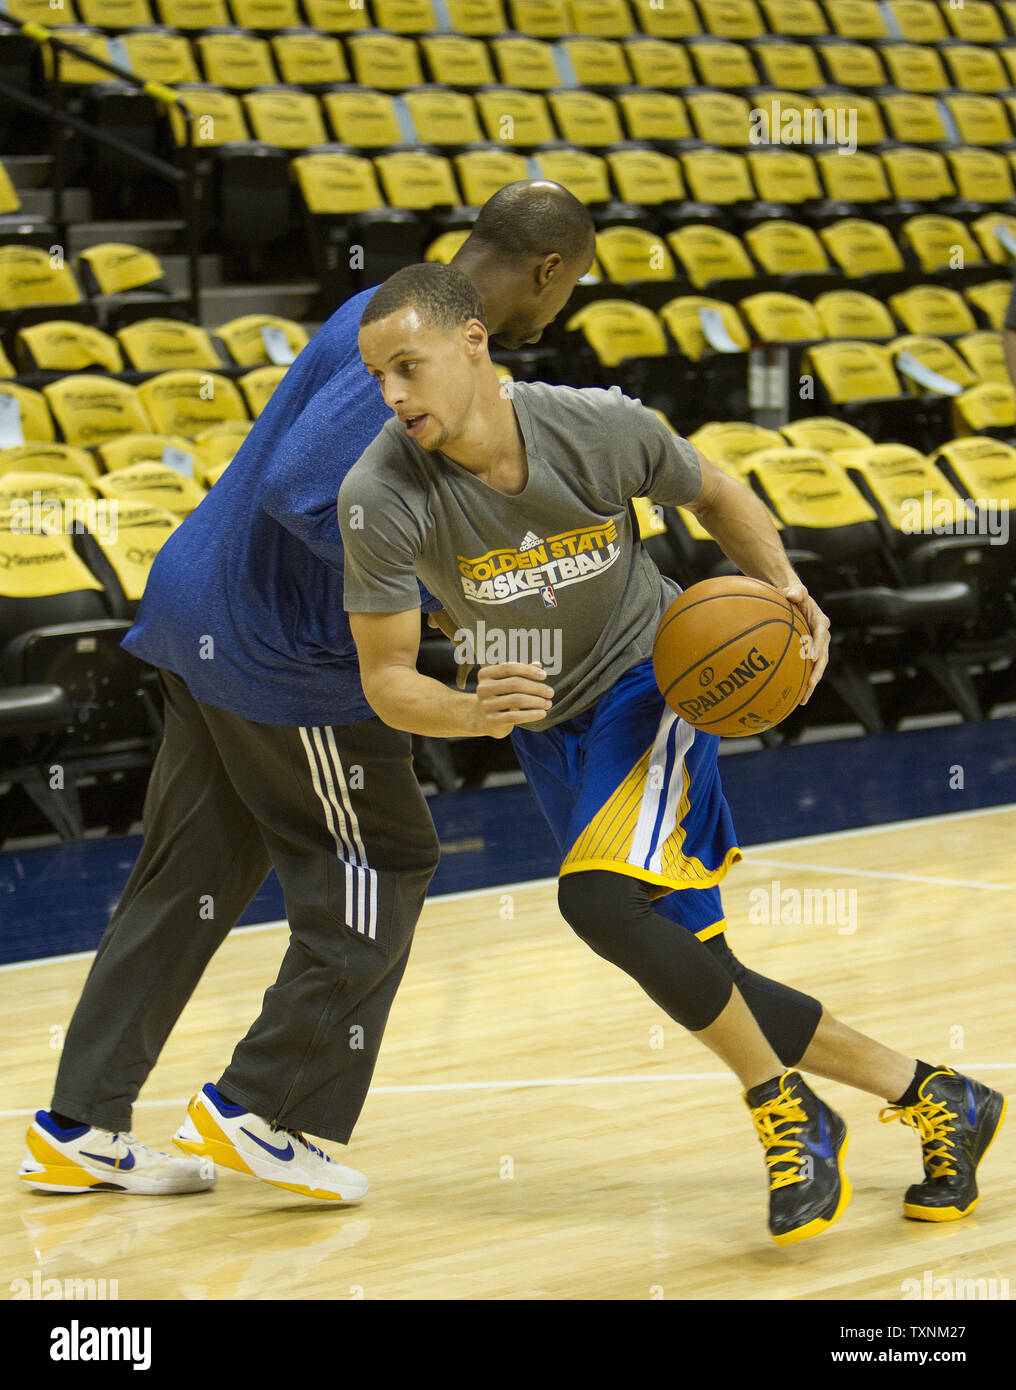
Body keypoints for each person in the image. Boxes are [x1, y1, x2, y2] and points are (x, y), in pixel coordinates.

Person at [339, 261, 1007, 1245]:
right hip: (542, 727)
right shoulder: (380, 493)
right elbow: (387, 675)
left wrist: (785, 591)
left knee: (596, 901)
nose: (393, 394)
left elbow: (717, 490)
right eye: (376, 377)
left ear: (472, 342)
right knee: (700, 964)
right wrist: (466, 711)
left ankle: (789, 1113)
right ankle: (937, 1095)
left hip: (655, 684)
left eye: (408, 365)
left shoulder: (593, 424)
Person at [17, 182, 598, 1202]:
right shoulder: (430, 338)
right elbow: (300, 489)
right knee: (384, 855)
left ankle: (79, 1123)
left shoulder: (399, 308)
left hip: (212, 615)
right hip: (276, 652)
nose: (565, 307)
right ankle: (263, 1106)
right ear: (547, 269)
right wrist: (419, 595)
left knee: (186, 875)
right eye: (572, 284)